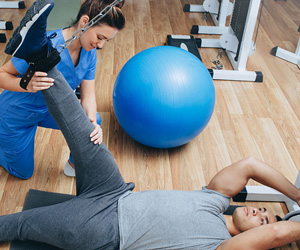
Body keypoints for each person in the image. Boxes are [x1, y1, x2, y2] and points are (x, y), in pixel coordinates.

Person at [1, 1, 300, 250]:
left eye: (262, 220)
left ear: (253, 238)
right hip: (114, 191)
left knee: (23, 224)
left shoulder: (221, 245)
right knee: (88, 134)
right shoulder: (216, 197)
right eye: (263, 210)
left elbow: (278, 234)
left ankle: (36, 56)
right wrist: (297, 197)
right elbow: (249, 165)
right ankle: (39, 51)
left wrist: (290, 225)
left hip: (105, 230)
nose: (258, 212)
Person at [0, 0, 125, 179]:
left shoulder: (89, 53)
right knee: (23, 172)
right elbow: (2, 74)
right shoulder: (47, 46)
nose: (101, 45)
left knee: (92, 121)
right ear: (84, 22)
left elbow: (88, 96)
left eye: (107, 40)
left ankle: (73, 165)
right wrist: (25, 84)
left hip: (49, 110)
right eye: (100, 37)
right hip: (16, 114)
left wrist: (93, 124)